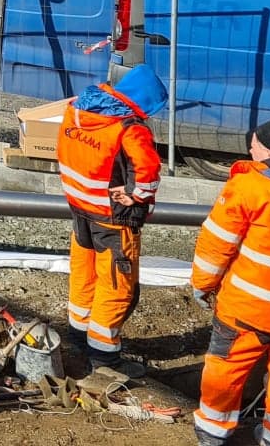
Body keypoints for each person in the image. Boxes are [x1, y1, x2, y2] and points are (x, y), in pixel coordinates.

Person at [57, 64, 165, 374]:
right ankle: (105, 360)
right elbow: (147, 171)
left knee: (84, 274)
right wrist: (138, 197)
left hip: (80, 209)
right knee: (116, 286)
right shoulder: (129, 128)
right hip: (114, 219)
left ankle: (78, 338)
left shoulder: (78, 110)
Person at [192, 118, 270, 446]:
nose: (250, 149)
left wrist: (202, 284)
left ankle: (212, 434)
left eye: (255, 145)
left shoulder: (251, 187)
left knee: (225, 371)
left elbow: (217, 243)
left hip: (245, 310)